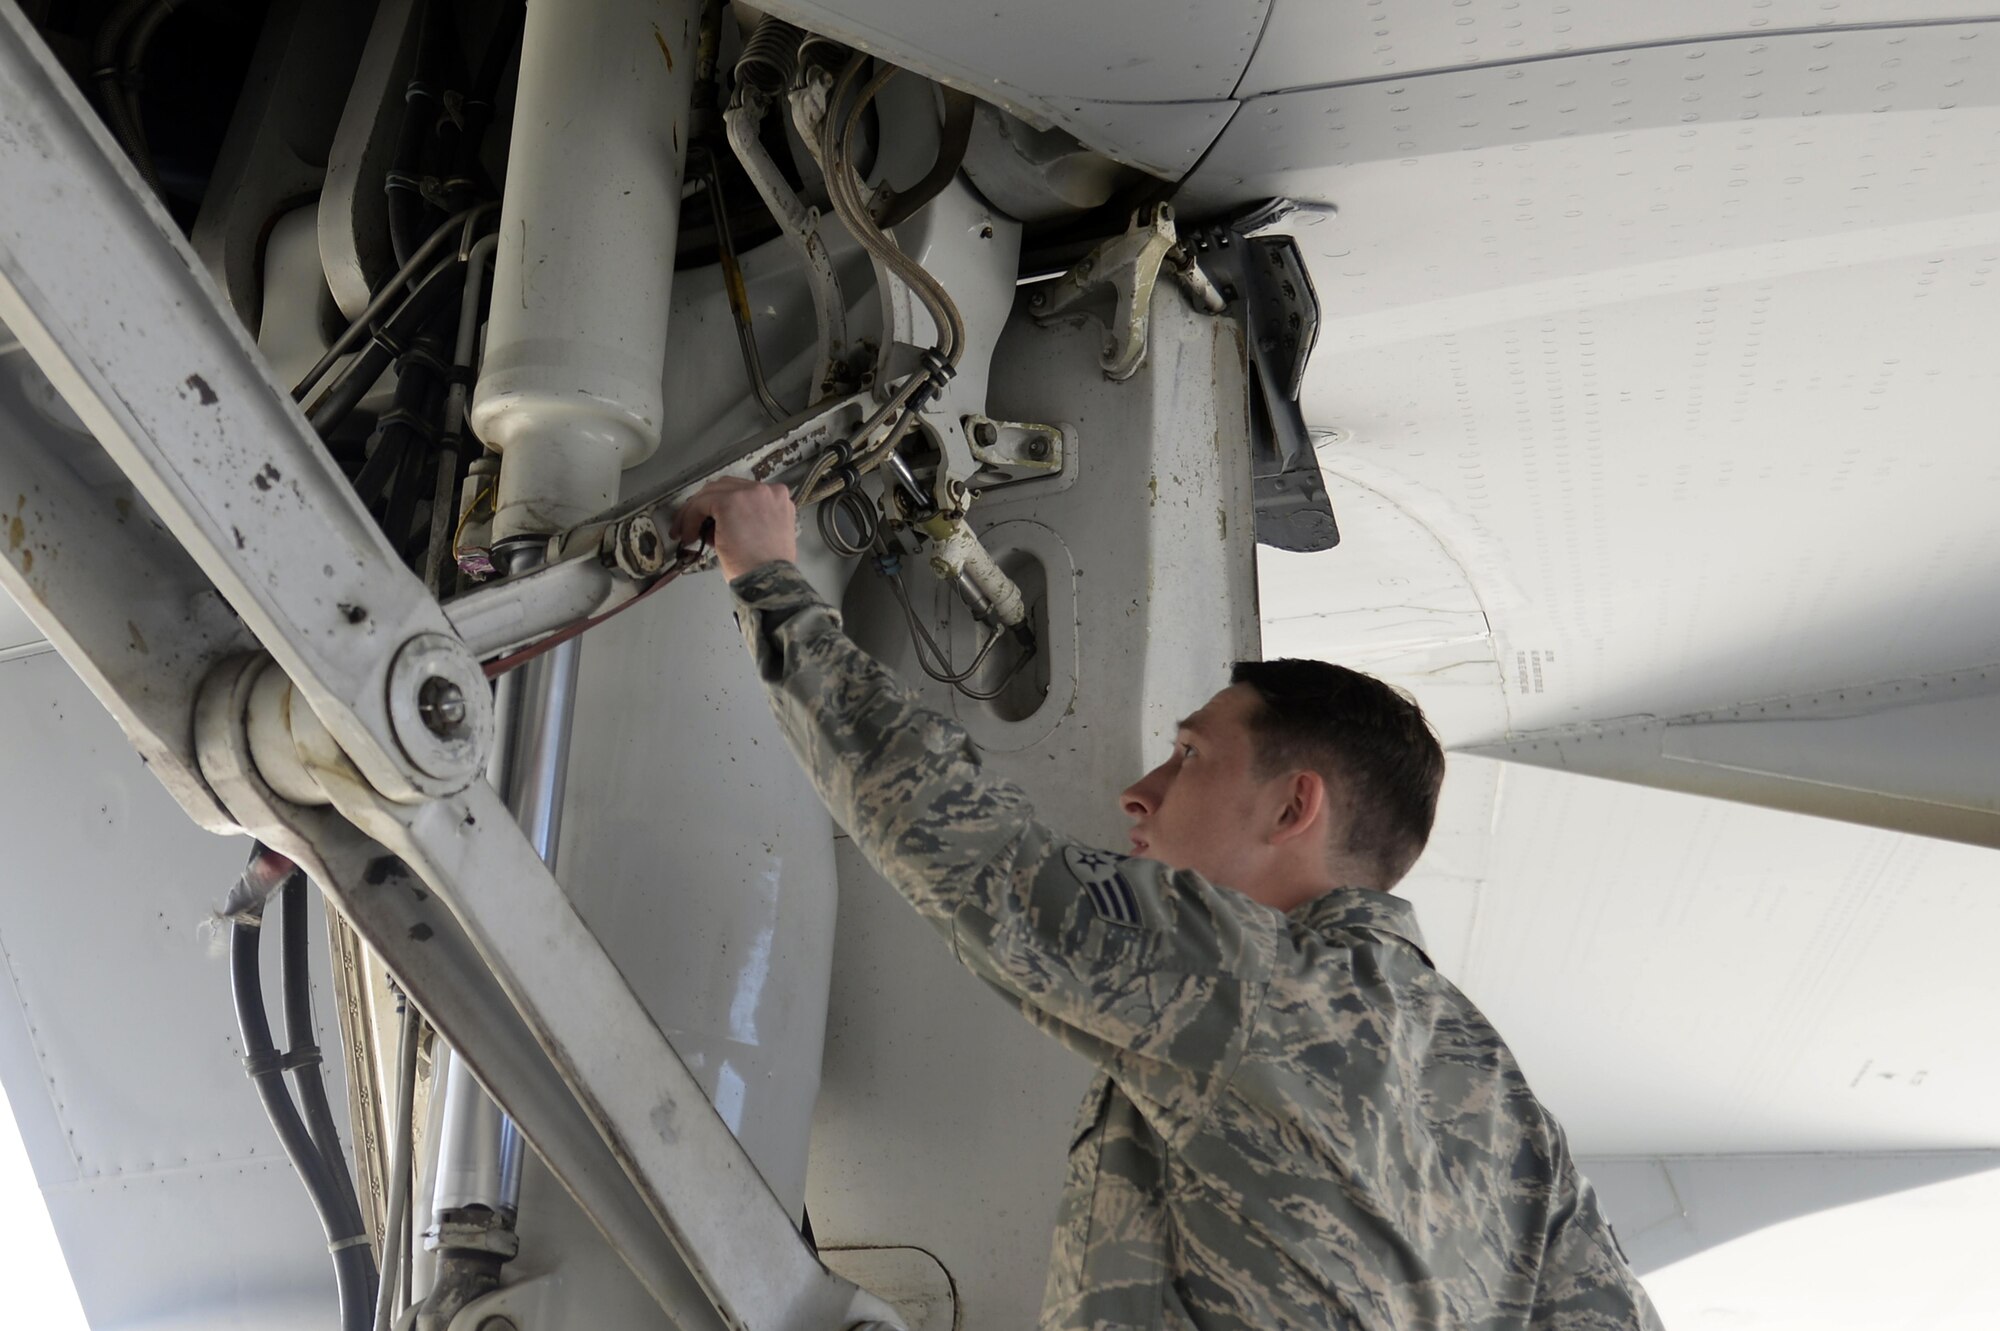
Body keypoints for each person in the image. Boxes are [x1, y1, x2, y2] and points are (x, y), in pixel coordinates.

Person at [672, 477, 1663, 1331]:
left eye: (1188, 754)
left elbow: (963, 842)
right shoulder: (1502, 1104)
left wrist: (768, 579)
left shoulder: (1253, 975)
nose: (1137, 792)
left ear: (1292, 802)